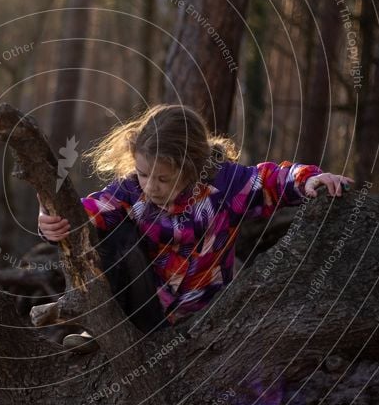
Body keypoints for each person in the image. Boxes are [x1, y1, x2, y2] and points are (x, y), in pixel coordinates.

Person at [38, 104, 354, 352]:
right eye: (144, 174)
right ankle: (104, 327)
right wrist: (52, 221)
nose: (151, 187)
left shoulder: (225, 185)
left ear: (192, 166)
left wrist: (308, 179)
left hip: (204, 314)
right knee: (110, 230)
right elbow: (84, 214)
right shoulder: (131, 190)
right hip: (145, 307)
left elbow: (272, 179)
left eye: (163, 179)